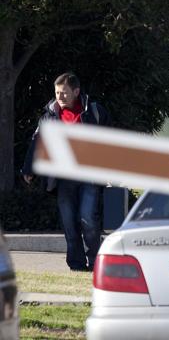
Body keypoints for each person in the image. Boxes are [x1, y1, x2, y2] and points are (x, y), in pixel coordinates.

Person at [22, 72, 111, 271]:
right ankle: (77, 265)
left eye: (64, 93)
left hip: (89, 176)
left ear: (76, 91)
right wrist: (29, 169)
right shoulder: (49, 117)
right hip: (62, 180)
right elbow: (37, 143)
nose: (59, 97)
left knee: (88, 220)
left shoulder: (94, 112)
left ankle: (96, 262)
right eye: (57, 93)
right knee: (70, 224)